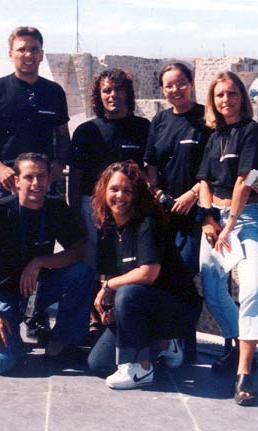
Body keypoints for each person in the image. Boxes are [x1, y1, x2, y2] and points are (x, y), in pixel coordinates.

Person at [0, 153, 94, 374]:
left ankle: (60, 344)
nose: (36, 183)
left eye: (41, 176)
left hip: (32, 289)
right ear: (16, 181)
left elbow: (77, 251)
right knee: (1, 362)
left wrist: (40, 262)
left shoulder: (56, 208)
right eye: (29, 177)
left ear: (49, 178)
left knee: (81, 273)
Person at [86, 161, 202, 389]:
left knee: (127, 293)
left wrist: (109, 287)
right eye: (114, 189)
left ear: (136, 194)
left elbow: (148, 274)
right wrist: (109, 309)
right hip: (140, 307)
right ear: (103, 191)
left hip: (177, 309)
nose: (120, 196)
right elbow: (110, 274)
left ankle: (142, 368)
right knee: (99, 364)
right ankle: (165, 345)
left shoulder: (147, 224)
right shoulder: (107, 228)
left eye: (127, 191)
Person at [196, 71, 258, 406]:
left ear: (242, 96)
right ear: (213, 100)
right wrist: (209, 219)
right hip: (216, 219)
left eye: (232, 93)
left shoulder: (252, 132)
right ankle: (240, 344)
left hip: (245, 220)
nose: (226, 100)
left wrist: (230, 224)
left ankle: (244, 371)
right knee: (213, 292)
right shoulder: (215, 136)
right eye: (220, 95)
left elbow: (245, 180)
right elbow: (203, 181)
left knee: (251, 289)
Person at [69, 69, 150, 341]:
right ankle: (95, 319)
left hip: (130, 206)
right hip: (92, 206)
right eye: (106, 90)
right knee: (93, 264)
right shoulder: (86, 131)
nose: (112, 95)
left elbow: (150, 170)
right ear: (99, 95)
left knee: (125, 262)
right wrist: (75, 212)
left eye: (118, 89)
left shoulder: (142, 128)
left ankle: (120, 316)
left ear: (127, 92)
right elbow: (75, 176)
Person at [144, 62, 212, 362]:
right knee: (165, 273)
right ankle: (174, 341)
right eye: (169, 85)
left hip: (195, 213)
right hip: (164, 212)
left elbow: (214, 166)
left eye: (181, 83)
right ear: (162, 90)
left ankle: (183, 341)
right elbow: (151, 164)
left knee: (184, 272)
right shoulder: (159, 120)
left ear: (191, 83)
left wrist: (192, 194)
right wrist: (157, 192)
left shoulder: (206, 118)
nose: (176, 90)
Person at [0, 26, 70, 203]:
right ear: (10, 54)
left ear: (41, 55)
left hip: (42, 183)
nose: (28, 54)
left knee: (44, 223)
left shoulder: (54, 92)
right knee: (1, 223)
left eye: (34, 49)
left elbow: (63, 136)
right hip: (5, 184)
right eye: (22, 49)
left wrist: (60, 163)